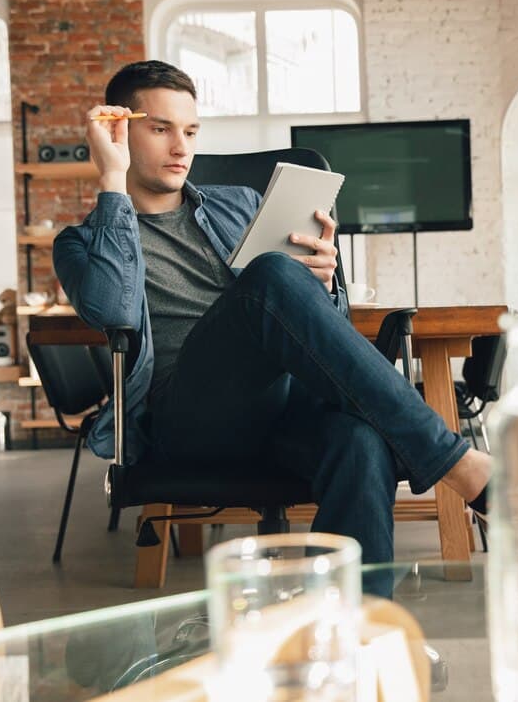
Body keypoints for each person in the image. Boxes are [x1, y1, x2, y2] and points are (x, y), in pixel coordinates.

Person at [53, 61, 490, 579]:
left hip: (281, 406)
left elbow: (319, 334)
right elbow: (113, 309)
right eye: (160, 129)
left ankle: (350, 632)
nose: (181, 148)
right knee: (268, 279)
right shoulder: (82, 243)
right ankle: (457, 463)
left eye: (191, 131)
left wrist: (322, 285)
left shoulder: (240, 203)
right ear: (119, 130)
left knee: (360, 443)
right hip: (190, 421)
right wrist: (110, 181)